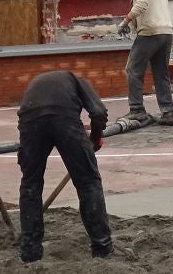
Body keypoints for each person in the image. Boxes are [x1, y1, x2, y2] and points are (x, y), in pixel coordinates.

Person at [14, 68, 112, 263]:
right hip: (63, 118)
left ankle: (30, 251)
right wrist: (95, 138)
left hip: (30, 119)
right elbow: (98, 112)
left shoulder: (41, 81)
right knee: (88, 183)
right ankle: (102, 247)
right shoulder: (78, 80)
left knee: (30, 185)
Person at [119, 0, 173, 127]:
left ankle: (137, 110)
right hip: (166, 32)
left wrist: (125, 21)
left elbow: (141, 4)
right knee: (161, 73)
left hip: (150, 32)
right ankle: (168, 112)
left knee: (133, 69)